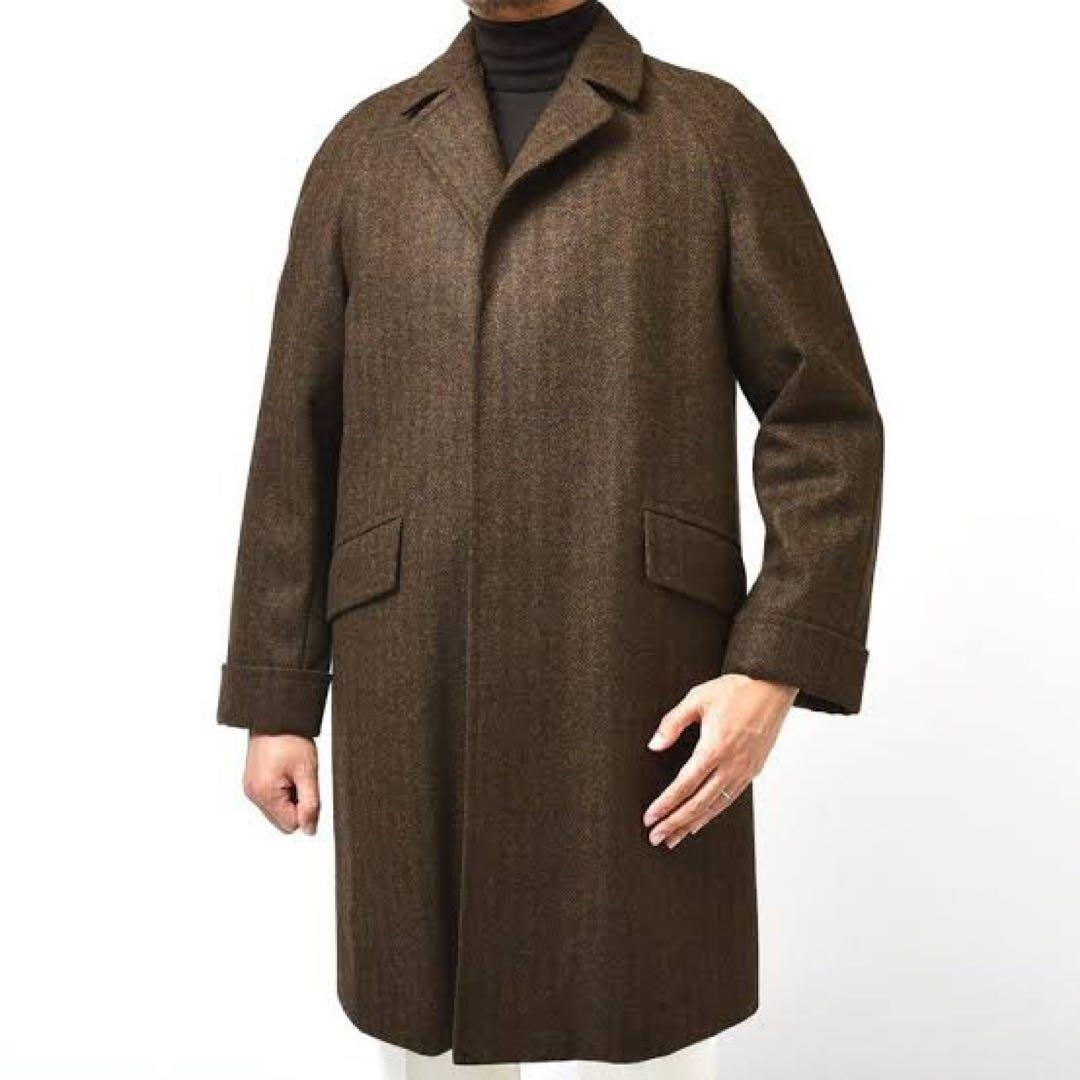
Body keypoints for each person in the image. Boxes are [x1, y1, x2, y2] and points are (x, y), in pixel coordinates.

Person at [216, 0, 884, 1076]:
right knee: (430, 1033)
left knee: (650, 1026)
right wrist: (277, 696)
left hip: (638, 673)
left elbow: (825, 420)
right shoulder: (363, 153)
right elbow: (298, 437)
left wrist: (775, 662)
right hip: (412, 674)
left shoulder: (709, 134)